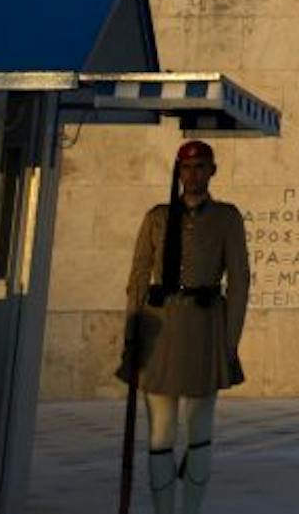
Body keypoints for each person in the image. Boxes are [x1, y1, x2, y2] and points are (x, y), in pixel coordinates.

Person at [122, 139, 250, 514]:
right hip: (159, 327)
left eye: (200, 167)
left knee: (199, 432)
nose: (192, 175)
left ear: (212, 170)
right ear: (178, 172)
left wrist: (229, 342)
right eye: (186, 168)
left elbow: (239, 281)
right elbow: (138, 279)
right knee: (160, 433)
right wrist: (132, 334)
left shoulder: (226, 218)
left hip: (203, 326)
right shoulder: (158, 217)